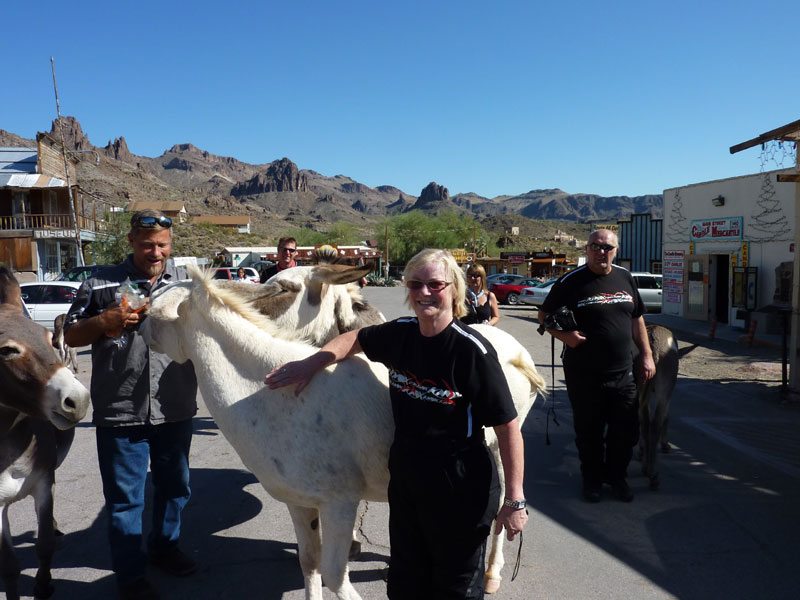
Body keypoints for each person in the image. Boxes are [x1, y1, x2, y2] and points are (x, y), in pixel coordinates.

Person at [265, 248, 528, 599]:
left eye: (435, 284)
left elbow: (508, 428)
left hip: (459, 483)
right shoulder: (401, 334)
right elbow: (356, 338)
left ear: (454, 290)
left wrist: (515, 499)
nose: (424, 293)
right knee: (405, 585)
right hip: (407, 478)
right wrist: (313, 362)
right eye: (416, 284)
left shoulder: (472, 353)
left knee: (455, 589)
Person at [65, 210, 198, 600]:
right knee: (125, 501)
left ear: (170, 245)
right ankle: (130, 576)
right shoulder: (100, 282)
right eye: (146, 245)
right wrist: (104, 320)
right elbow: (71, 335)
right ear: (131, 242)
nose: (154, 253)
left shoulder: (185, 286)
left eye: (162, 245)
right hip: (120, 410)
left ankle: (165, 547)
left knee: (175, 488)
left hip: (174, 406)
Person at [538, 229, 655, 503]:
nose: (601, 252)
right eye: (595, 246)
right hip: (584, 374)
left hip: (623, 372)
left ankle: (617, 478)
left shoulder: (626, 278)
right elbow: (543, 315)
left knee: (624, 432)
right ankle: (591, 481)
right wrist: (566, 336)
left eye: (607, 247)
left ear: (616, 250)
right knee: (589, 433)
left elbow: (637, 319)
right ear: (587, 249)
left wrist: (647, 355)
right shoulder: (571, 281)